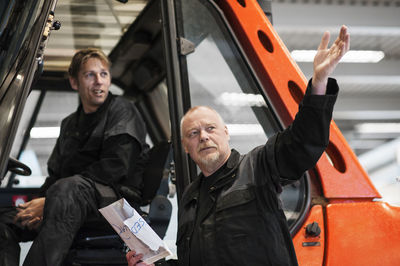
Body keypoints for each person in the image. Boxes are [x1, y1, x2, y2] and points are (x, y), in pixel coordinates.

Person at [126, 25, 350, 266]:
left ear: (225, 133)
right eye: (193, 133)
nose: (203, 137)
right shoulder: (190, 197)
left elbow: (303, 142)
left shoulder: (258, 166)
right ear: (185, 147)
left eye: (210, 128)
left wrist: (318, 83)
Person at [0, 48, 148, 266]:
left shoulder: (122, 111)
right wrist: (39, 204)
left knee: (66, 190)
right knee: (5, 221)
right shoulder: (69, 124)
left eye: (104, 74)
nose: (99, 81)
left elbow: (116, 167)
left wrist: (52, 201)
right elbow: (56, 175)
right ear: (74, 82)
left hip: (116, 202)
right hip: (69, 199)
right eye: (90, 75)